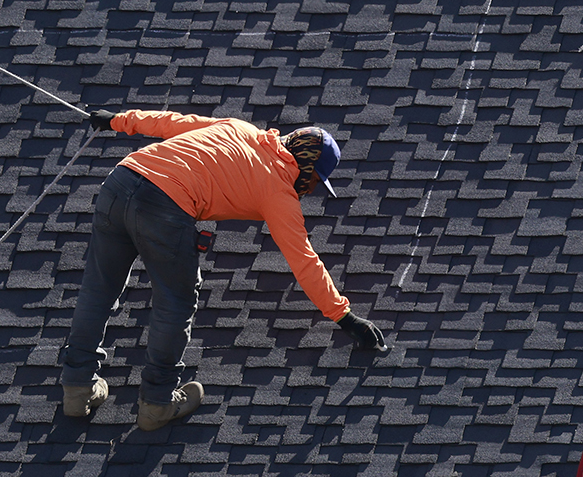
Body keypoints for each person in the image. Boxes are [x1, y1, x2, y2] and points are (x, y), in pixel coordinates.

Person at [63, 108, 386, 430]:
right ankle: (157, 403)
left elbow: (173, 123)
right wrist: (344, 316)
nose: (312, 189)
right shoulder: (278, 190)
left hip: (121, 180)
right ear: (305, 163)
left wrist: (117, 120)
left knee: (99, 289)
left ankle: (77, 389)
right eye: (316, 180)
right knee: (175, 302)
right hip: (165, 206)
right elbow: (303, 258)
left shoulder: (240, 128)